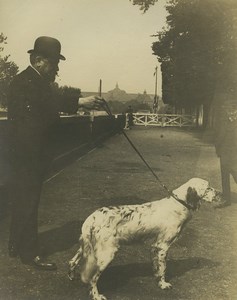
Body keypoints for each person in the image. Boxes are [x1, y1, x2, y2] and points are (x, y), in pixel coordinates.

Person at [7, 36, 103, 270]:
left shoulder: (31, 80)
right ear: (39, 60)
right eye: (54, 62)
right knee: (28, 201)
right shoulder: (29, 82)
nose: (57, 68)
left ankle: (15, 245)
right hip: (28, 154)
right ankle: (29, 254)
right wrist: (80, 101)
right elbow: (48, 103)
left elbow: (48, 102)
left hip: (26, 153)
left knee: (24, 200)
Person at [214, 94, 237, 208]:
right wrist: (218, 148)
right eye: (228, 110)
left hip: (235, 153)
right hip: (224, 152)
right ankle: (226, 199)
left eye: (233, 110)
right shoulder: (222, 120)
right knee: (224, 176)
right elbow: (218, 135)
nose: (230, 112)